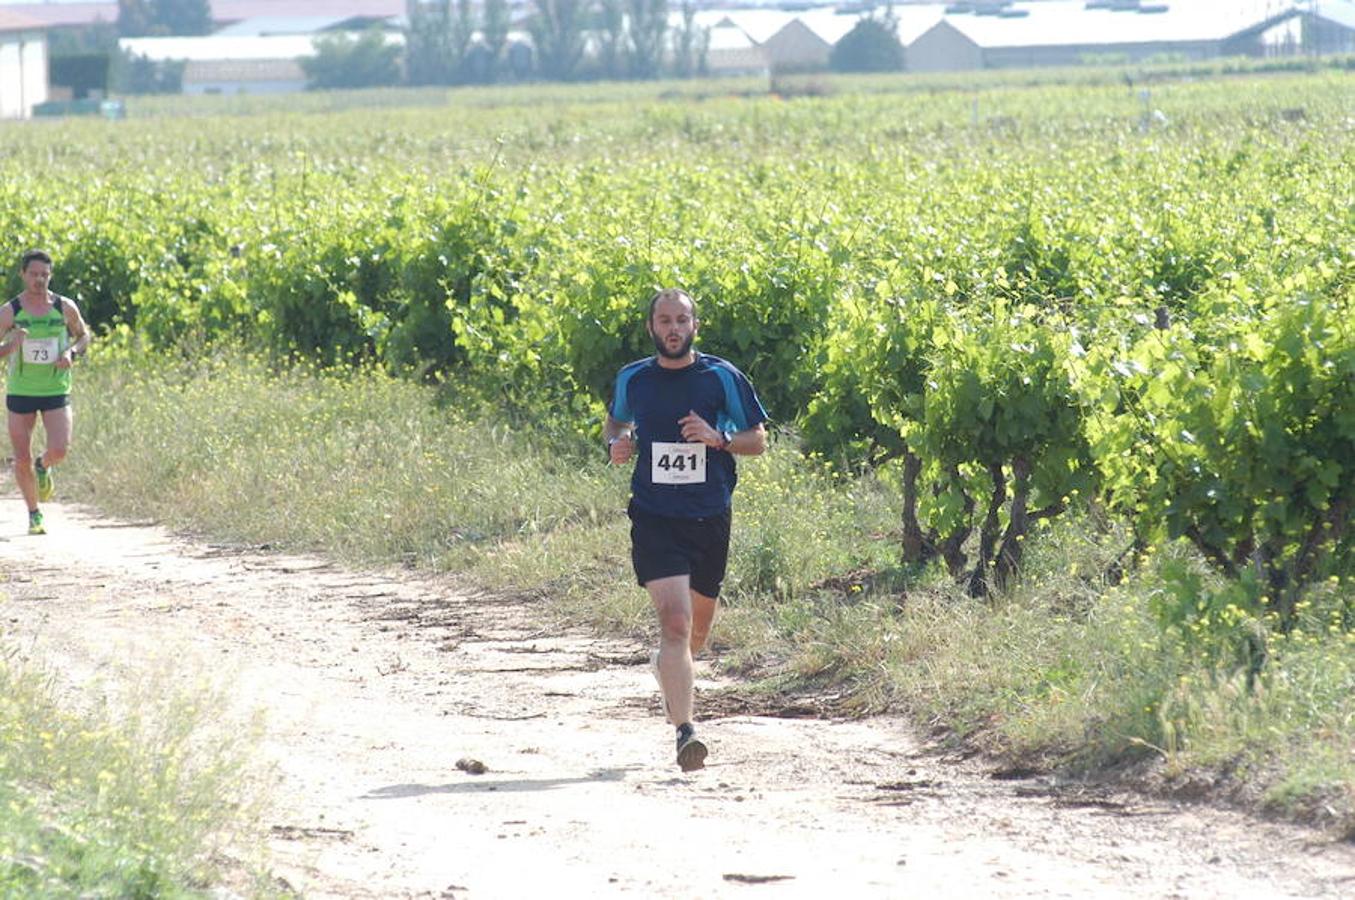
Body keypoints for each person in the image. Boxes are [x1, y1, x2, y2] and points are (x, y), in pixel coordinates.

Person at [604, 288, 767, 771]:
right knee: (674, 625)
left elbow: (757, 440)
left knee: (694, 636)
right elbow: (615, 423)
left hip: (709, 514)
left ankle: (669, 675)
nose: (673, 328)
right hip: (654, 516)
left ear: (695, 326)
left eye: (682, 320)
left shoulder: (721, 377)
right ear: (651, 327)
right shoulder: (633, 378)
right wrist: (617, 443)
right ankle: (685, 732)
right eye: (664, 320)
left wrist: (718, 438)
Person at [0, 250, 91, 535]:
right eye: (34, 274)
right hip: (21, 391)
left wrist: (71, 353)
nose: (39, 279)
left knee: (60, 449)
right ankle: (33, 513)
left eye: (44, 274)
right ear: (23, 275)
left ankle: (44, 465)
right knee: (20, 457)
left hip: (55, 387)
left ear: (50, 276)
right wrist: (9, 346)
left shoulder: (64, 306)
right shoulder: (10, 311)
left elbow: (83, 336)